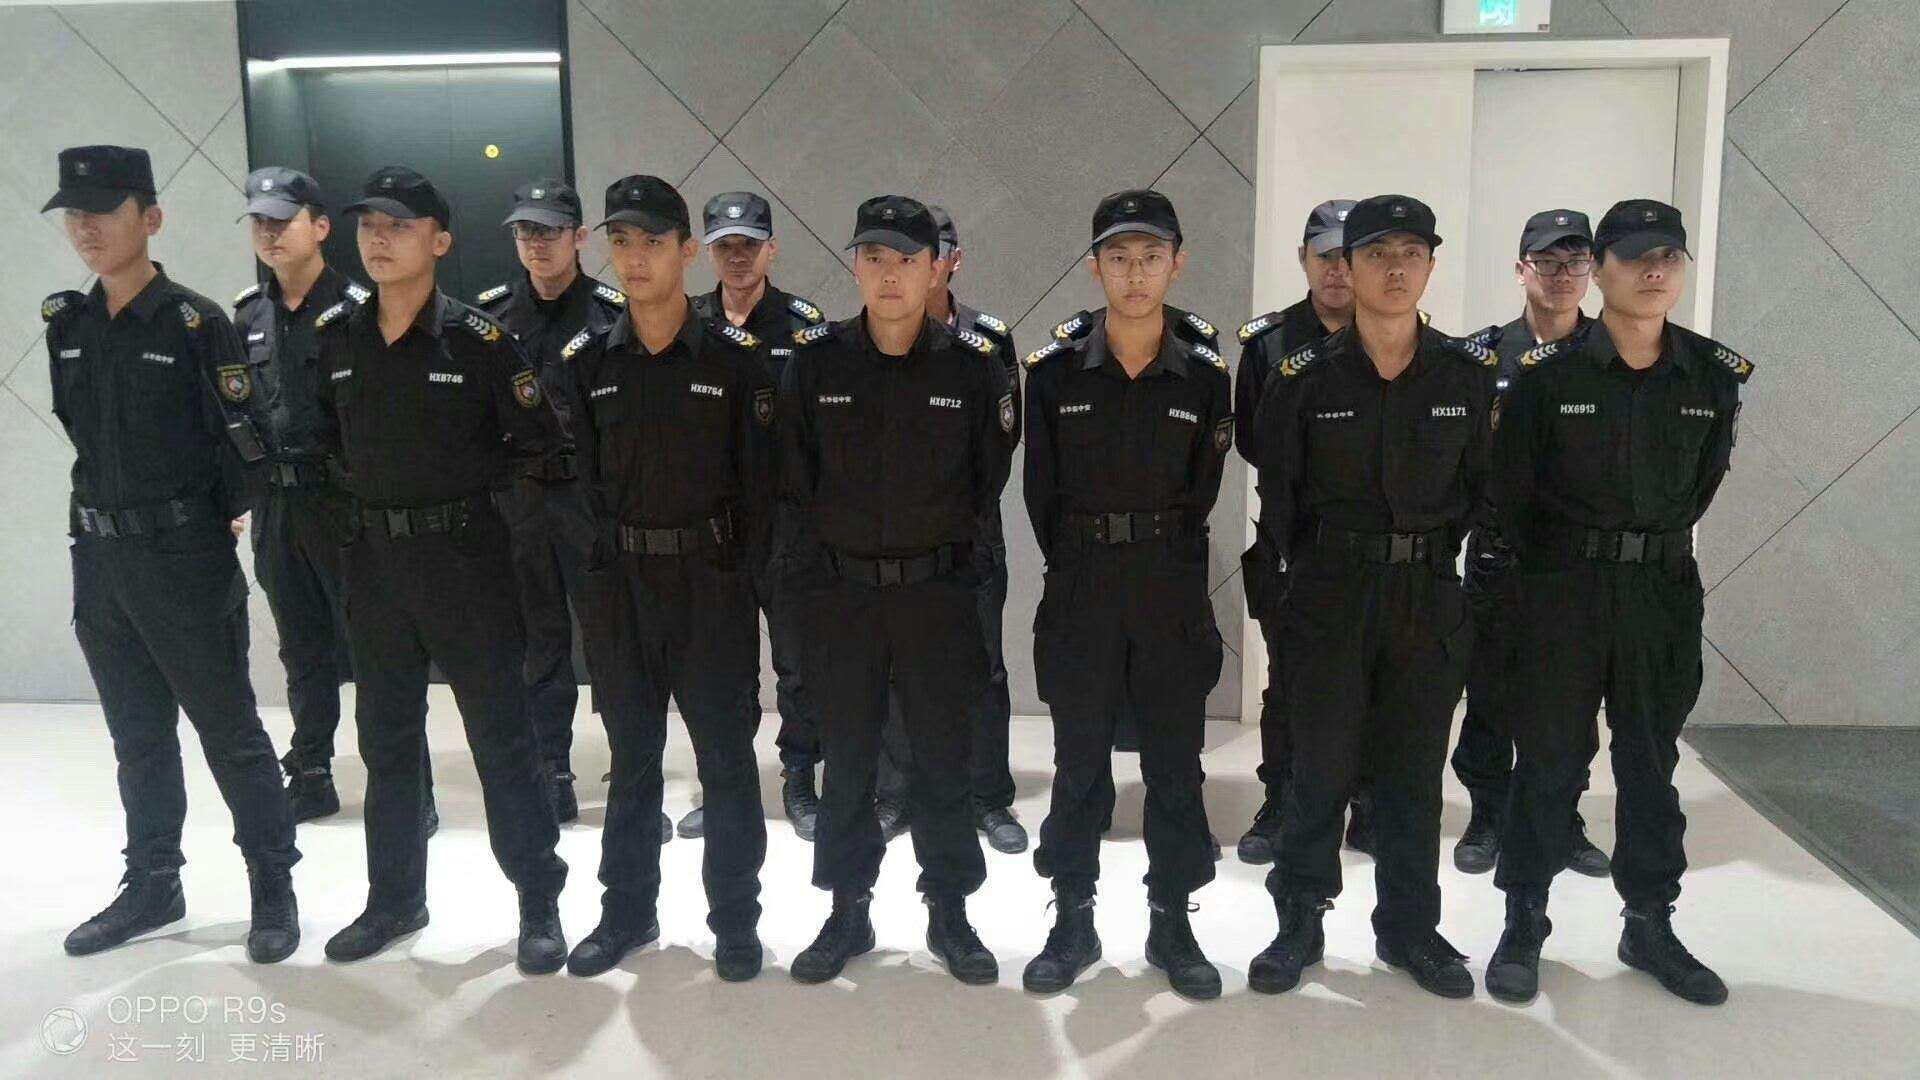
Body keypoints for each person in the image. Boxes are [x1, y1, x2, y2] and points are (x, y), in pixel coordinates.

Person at [1484, 199, 1749, 1007]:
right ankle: (1524, 919)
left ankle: (1649, 923)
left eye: (1668, 256)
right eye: (1636, 257)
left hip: (1659, 594)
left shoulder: (1711, 376)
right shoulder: (1548, 376)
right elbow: (1511, 491)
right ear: (1600, 270)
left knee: (1650, 764)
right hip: (1562, 590)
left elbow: (1702, 486)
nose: (1655, 271)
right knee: (1549, 761)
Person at [44, 144, 300, 963]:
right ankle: (153, 882)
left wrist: (205, 520)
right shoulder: (68, 325)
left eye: (103, 212)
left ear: (150, 219)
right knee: (138, 737)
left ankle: (272, 883)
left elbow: (247, 444)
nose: (86, 227)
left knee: (230, 732)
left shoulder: (195, 323)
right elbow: (81, 433)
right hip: (102, 564)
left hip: (183, 559)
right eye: (74, 214)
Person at [314, 165, 570, 973]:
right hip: (378, 569)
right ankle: (394, 899)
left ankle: (538, 899)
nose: (379, 240)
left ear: (440, 241)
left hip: (467, 567)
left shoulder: (478, 342)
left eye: (399, 225)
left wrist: (493, 520)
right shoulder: (338, 339)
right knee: (386, 741)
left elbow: (540, 446)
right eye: (369, 225)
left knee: (501, 739)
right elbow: (320, 445)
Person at [1244, 195, 1495, 1000]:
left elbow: (1482, 490)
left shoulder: (1465, 376)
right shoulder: (1303, 378)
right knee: (1317, 769)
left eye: (1411, 253)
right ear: (1345, 269)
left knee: (1413, 776)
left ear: (1430, 266)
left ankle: (1409, 928)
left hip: (1426, 596)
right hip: (1330, 594)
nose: (1395, 268)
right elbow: (1279, 500)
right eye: (1377, 253)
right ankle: (1299, 920)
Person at [780, 195, 1016, 985]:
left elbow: (987, 481)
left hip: (936, 594)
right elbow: (795, 481)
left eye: (906, 260)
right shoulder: (816, 364)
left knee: (943, 762)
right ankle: (847, 910)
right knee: (848, 764)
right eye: (873, 257)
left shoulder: (971, 368)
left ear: (935, 268)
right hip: (842, 596)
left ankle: (950, 912)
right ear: (854, 265)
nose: (889, 274)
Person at [1019, 190, 1232, 1000]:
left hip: (1169, 588)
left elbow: (1203, 489)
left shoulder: (1205, 375)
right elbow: (1041, 495)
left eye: (1150, 258)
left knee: (1175, 765)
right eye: (1119, 258)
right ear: (1095, 268)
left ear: (1177, 264)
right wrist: (1089, 557)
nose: (1135, 275)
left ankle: (1172, 920)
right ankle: (1072, 918)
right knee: (1079, 763)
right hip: (1083, 588)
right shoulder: (1053, 373)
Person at [559, 175, 773, 980]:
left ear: (687, 252)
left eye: (652, 241)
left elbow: (764, 487)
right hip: (622, 590)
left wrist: (742, 578)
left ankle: (736, 920)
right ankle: (626, 913)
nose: (635, 258)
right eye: (621, 242)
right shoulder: (588, 363)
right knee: (633, 757)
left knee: (725, 760)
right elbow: (572, 486)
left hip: (710, 584)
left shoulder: (734, 362)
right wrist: (595, 583)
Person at [234, 166, 441, 837]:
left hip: (344, 505)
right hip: (277, 507)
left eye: (282, 220)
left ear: (320, 227)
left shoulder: (359, 310)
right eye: (259, 222)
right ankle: (313, 773)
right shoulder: (249, 315)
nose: (269, 233)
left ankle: (407, 786)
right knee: (302, 650)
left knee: (381, 652)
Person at [1450, 209, 1609, 879]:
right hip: (1500, 555)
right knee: (1489, 692)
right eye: (1548, 262)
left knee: (1572, 701)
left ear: (1593, 271)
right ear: (1522, 270)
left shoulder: (1612, 354)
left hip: (1578, 561)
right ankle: (1488, 813)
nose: (1562, 275)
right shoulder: (1479, 358)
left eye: (1576, 262)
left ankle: (1560, 818)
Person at [870, 205, 1026, 855]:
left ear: (950, 262)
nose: (915, 266)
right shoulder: (873, 333)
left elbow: (1002, 440)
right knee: (892, 666)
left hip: (969, 531)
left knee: (982, 666)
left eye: (928, 253)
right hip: (891, 537)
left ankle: (987, 796)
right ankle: (896, 793)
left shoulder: (987, 340)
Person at [476, 179, 628, 825]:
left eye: (549, 231)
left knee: (611, 639)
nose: (536, 243)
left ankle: (632, 769)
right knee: (538, 640)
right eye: (525, 232)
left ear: (580, 237)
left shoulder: (611, 314)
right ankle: (552, 768)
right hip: (520, 501)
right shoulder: (491, 319)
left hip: (589, 501)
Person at [683, 190, 828, 842]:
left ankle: (799, 777)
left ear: (772, 249)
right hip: (715, 524)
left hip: (787, 521)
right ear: (708, 252)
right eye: (725, 246)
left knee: (797, 663)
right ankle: (728, 786)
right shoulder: (686, 321)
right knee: (721, 665)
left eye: (749, 245)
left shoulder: (803, 327)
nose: (737, 257)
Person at [1233, 198, 1356, 865]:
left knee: (1375, 682)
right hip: (1294, 541)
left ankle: (1368, 801)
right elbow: (1254, 441)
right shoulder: (1269, 344)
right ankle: (1280, 798)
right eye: (1324, 256)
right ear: (1302, 260)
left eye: (1348, 256)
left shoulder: (1397, 336)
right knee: (1288, 682)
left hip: (1373, 542)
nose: (1337, 271)